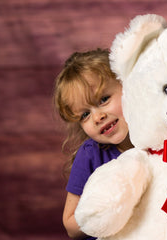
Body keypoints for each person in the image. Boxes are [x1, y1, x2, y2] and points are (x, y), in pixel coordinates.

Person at [54, 48, 133, 240]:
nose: (98, 117)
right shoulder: (91, 154)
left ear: (128, 85)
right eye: (85, 115)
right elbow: (70, 225)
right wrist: (108, 209)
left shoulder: (160, 140)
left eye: (104, 99)